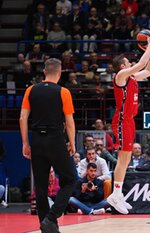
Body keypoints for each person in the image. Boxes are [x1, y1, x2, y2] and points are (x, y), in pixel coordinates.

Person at [19, 58, 76, 233]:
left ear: (44, 72)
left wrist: (25, 143)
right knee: (70, 179)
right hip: (55, 139)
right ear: (59, 73)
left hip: (37, 139)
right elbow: (69, 122)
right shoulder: (63, 92)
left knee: (41, 187)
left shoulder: (31, 90)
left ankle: (47, 226)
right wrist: (72, 142)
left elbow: (22, 118)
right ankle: (51, 218)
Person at [107, 31, 150, 214]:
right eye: (128, 63)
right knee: (123, 158)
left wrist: (149, 50)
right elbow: (142, 64)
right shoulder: (120, 76)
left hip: (129, 120)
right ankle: (115, 194)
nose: (131, 64)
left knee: (126, 159)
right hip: (121, 121)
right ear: (122, 66)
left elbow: (149, 69)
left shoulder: (133, 78)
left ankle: (118, 195)